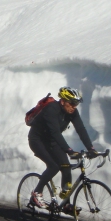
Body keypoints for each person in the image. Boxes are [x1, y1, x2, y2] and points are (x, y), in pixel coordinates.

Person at [28, 86, 97, 214]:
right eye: (72, 103)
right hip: (37, 140)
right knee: (53, 166)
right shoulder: (51, 109)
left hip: (52, 141)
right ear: (63, 101)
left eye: (76, 104)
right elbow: (55, 132)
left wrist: (91, 148)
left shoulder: (72, 112)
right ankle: (36, 193)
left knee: (66, 167)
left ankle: (66, 204)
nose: (74, 107)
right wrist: (68, 149)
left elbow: (81, 129)